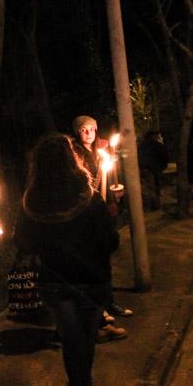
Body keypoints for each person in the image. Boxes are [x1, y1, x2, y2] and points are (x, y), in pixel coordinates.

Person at [14, 133, 119, 386]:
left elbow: (22, 243)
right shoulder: (88, 196)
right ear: (72, 160)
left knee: (74, 340)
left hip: (55, 281)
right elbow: (110, 241)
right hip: (92, 280)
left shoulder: (30, 202)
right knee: (84, 339)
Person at [71, 115, 132, 332]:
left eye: (91, 130)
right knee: (92, 259)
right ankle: (97, 308)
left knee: (105, 256)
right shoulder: (74, 153)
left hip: (102, 207)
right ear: (77, 133)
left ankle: (108, 301)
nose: (88, 134)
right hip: (86, 212)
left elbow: (112, 174)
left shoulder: (103, 151)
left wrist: (116, 192)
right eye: (83, 130)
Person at [137, 130, 169, 210]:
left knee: (150, 187)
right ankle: (154, 204)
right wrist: (162, 166)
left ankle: (151, 204)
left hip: (148, 169)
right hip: (154, 169)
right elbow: (164, 157)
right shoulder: (157, 146)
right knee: (154, 187)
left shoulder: (142, 146)